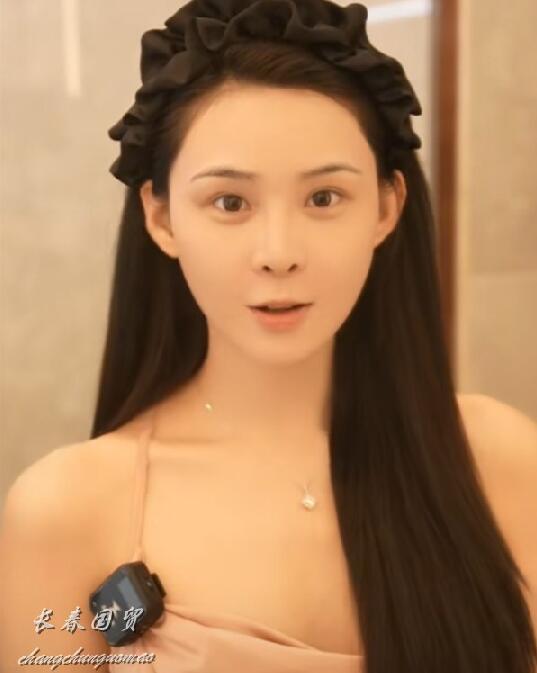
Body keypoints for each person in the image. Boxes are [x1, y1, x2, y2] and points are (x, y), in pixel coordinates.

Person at [1, 1, 536, 671]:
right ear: (161, 218)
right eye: (230, 202)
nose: (278, 253)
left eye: (323, 198)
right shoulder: (69, 511)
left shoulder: (500, 461)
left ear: (386, 206)